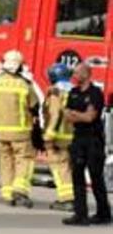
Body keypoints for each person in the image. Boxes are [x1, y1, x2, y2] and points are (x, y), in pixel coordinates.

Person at [0, 50, 39, 208]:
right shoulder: (24, 84)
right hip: (21, 133)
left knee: (5, 161)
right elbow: (34, 106)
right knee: (23, 160)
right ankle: (20, 190)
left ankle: (7, 193)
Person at [62, 63, 111, 226]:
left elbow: (90, 117)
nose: (74, 75)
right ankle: (80, 214)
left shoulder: (95, 93)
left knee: (96, 176)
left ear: (86, 74)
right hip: (78, 139)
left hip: (94, 139)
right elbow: (67, 116)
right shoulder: (74, 93)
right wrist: (78, 115)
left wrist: (77, 114)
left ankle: (103, 213)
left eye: (77, 73)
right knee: (77, 174)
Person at [42, 63, 75, 211]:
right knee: (70, 168)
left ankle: (67, 199)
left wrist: (49, 136)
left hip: (59, 138)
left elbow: (55, 114)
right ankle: (73, 198)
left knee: (60, 168)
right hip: (74, 137)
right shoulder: (76, 91)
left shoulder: (56, 93)